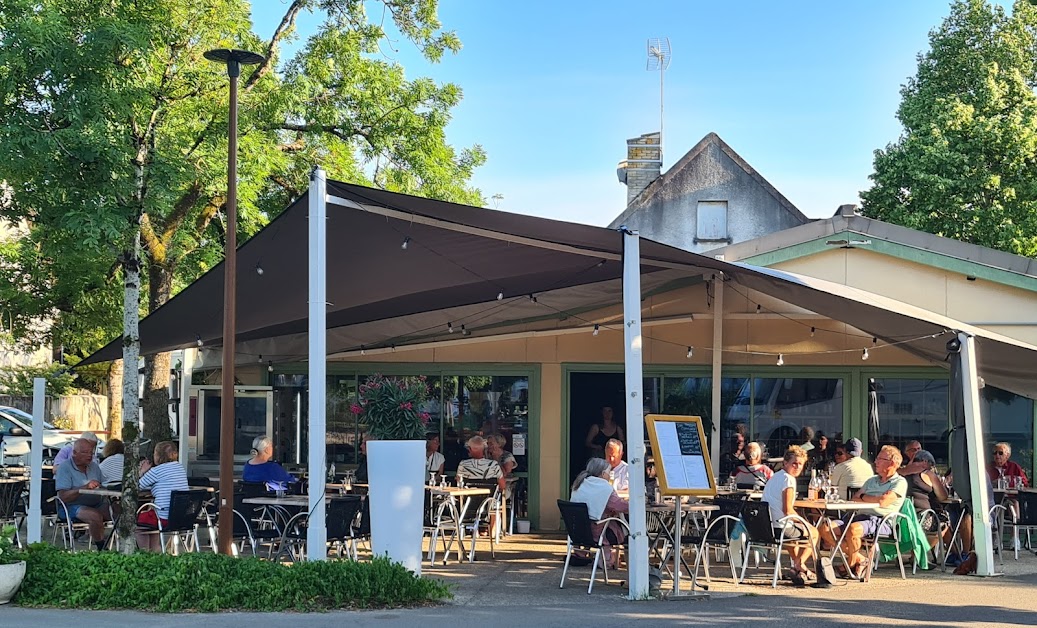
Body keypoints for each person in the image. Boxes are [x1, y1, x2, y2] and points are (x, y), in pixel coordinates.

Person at [819, 445, 908, 580]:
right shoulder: (871, 480)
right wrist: (869, 498)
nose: (876, 462)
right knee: (825, 528)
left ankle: (849, 567)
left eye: (880, 459)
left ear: (892, 463)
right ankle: (860, 560)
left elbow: (883, 501)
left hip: (881, 519)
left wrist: (864, 498)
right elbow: (855, 497)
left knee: (853, 530)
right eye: (877, 459)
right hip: (858, 516)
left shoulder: (899, 482)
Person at [760, 445, 819, 586]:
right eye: (794, 463)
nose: (797, 467)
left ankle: (799, 567)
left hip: (766, 528)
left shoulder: (775, 477)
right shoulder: (789, 480)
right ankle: (798, 564)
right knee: (814, 532)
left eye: (801, 464)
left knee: (795, 531)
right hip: (780, 528)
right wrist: (805, 523)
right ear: (785, 463)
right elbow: (787, 510)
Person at [55, 437, 113, 551]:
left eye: (91, 452)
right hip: (70, 506)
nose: (89, 455)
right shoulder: (64, 468)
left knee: (119, 511)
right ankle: (102, 548)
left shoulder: (94, 466)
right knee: (95, 516)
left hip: (97, 503)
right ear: (74, 453)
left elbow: (104, 484)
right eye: (85, 452)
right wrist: (84, 487)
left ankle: (130, 546)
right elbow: (63, 496)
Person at [570, 457, 629, 569]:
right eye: (609, 472)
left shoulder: (579, 484)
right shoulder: (605, 487)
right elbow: (621, 506)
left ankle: (582, 554)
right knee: (628, 532)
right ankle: (606, 560)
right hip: (597, 534)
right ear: (603, 474)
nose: (610, 475)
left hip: (577, 532)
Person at [136, 441, 190, 552]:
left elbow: (136, 486)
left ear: (158, 456)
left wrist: (142, 471)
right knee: (151, 519)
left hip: (163, 517)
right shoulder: (180, 468)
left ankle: (145, 553)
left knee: (139, 522)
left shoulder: (156, 471)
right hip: (181, 517)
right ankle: (156, 551)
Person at [902, 449, 952, 548]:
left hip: (902, 519)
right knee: (944, 522)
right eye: (932, 465)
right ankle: (922, 552)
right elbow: (943, 497)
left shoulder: (900, 472)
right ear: (925, 462)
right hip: (922, 519)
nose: (933, 468)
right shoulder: (928, 474)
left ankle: (955, 554)